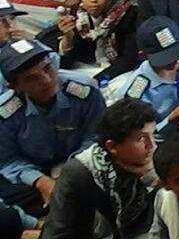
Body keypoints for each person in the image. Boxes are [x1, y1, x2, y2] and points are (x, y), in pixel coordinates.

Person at [0, 39, 106, 217]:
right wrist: (40, 181)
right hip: (34, 171)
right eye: (31, 78)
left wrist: (71, 170)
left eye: (47, 68)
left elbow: (95, 136)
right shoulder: (5, 113)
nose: (46, 80)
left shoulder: (84, 91)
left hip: (80, 160)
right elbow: (8, 161)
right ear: (14, 87)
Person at [40, 98, 159, 239]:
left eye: (153, 135)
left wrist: (152, 176)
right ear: (112, 146)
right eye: (141, 139)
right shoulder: (79, 173)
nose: (152, 145)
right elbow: (58, 233)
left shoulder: (155, 161)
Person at [55, 0, 141, 80]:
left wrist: (99, 79)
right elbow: (72, 58)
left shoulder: (129, 13)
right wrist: (68, 38)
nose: (93, 0)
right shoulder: (77, 13)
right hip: (88, 68)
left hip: (119, 71)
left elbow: (129, 58)